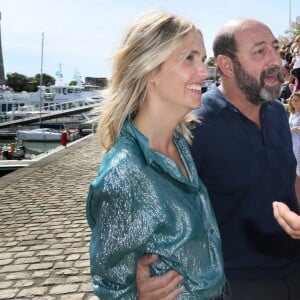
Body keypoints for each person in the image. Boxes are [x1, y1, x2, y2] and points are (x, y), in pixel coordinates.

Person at [136, 18, 300, 300]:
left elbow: (289, 177)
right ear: (227, 65)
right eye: (260, 52)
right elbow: (155, 210)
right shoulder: (193, 126)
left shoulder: (276, 113)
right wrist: (139, 275)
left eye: (275, 48)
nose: (277, 60)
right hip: (238, 284)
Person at [86, 9, 227, 299]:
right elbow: (110, 286)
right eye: (189, 58)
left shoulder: (178, 142)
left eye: (202, 59)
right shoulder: (125, 174)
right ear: (150, 68)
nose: (204, 72)